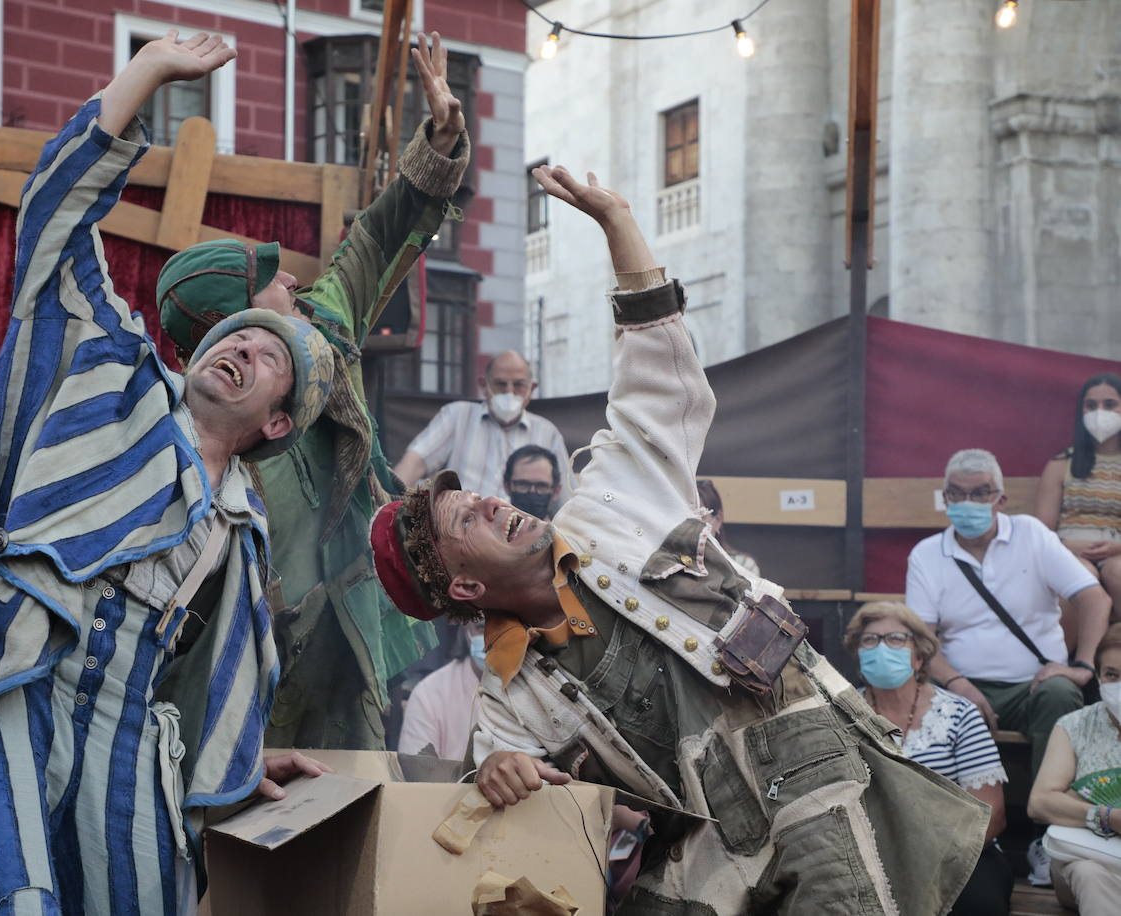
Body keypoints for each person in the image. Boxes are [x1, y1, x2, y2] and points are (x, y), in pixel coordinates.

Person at [369, 164, 987, 914]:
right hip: (714, 853)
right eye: (467, 519)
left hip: (821, 775)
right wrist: (496, 770)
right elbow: (505, 813)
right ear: (463, 588)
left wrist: (619, 224)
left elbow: (657, 387)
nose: (495, 506)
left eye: (480, 496)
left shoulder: (609, 507)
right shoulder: (509, 696)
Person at [0, 34, 334, 914]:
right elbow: (53, 221)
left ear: (276, 423)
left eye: (269, 354)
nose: (241, 343)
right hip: (18, 683)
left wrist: (228, 760)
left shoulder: (242, 527)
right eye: (237, 331)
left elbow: (218, 680)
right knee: (18, 900)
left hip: (126, 739)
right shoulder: (113, 371)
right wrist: (148, 72)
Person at [153, 32, 468, 751]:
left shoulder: (325, 321)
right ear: (235, 322)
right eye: (270, 276)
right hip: (244, 681)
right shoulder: (185, 443)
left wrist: (441, 138)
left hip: (351, 635)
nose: (292, 277)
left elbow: (379, 238)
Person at [906, 449, 1110, 776]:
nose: (967, 501)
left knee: (1060, 693)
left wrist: (1083, 666)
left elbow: (1095, 599)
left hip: (1032, 687)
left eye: (980, 492)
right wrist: (958, 683)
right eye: (957, 493)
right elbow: (920, 639)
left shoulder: (1031, 534)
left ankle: (1047, 814)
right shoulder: (927, 554)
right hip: (958, 684)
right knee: (913, 691)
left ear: (1001, 499)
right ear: (945, 499)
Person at [847, 601, 1011, 915]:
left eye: (895, 638)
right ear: (858, 655)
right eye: (870, 640)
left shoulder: (959, 714)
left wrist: (928, 866)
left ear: (919, 656)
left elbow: (993, 814)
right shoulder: (841, 715)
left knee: (981, 906)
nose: (881, 647)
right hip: (867, 856)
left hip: (959, 855)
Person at [392, 350, 573, 504]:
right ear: (484, 386)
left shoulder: (547, 433)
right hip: (460, 532)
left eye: (518, 385)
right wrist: (388, 504)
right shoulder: (457, 416)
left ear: (531, 389)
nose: (510, 392)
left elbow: (566, 498)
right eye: (501, 384)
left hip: (522, 535)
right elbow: (415, 462)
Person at [1027, 622, 1121, 915]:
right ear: (1098, 676)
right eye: (1112, 675)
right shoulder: (1075, 725)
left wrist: (1072, 800)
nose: (1119, 684)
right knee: (1087, 873)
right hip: (1085, 856)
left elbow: (1057, 800)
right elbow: (1040, 803)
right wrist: (1109, 816)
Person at [1036, 373, 1121, 621]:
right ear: (1081, 411)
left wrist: (1115, 548)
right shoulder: (1061, 463)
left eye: (1110, 404)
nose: (1100, 412)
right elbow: (1041, 530)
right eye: (1091, 405)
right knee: (1080, 578)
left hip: (1117, 550)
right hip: (1069, 548)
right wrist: (1068, 546)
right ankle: (1074, 657)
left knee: (1118, 573)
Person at [398, 618, 485, 759]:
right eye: (482, 628)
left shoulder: (531, 688)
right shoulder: (429, 694)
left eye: (504, 625)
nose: (493, 637)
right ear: (465, 629)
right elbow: (417, 771)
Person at [695, 478, 760, 576]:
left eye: (701, 516)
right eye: (687, 517)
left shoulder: (743, 565)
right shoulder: (670, 564)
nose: (692, 524)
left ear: (718, 519)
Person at [502, 444, 561, 520]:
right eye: (523, 484)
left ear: (556, 491)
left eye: (541, 486)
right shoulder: (487, 530)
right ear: (507, 486)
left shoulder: (565, 531)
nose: (532, 492)